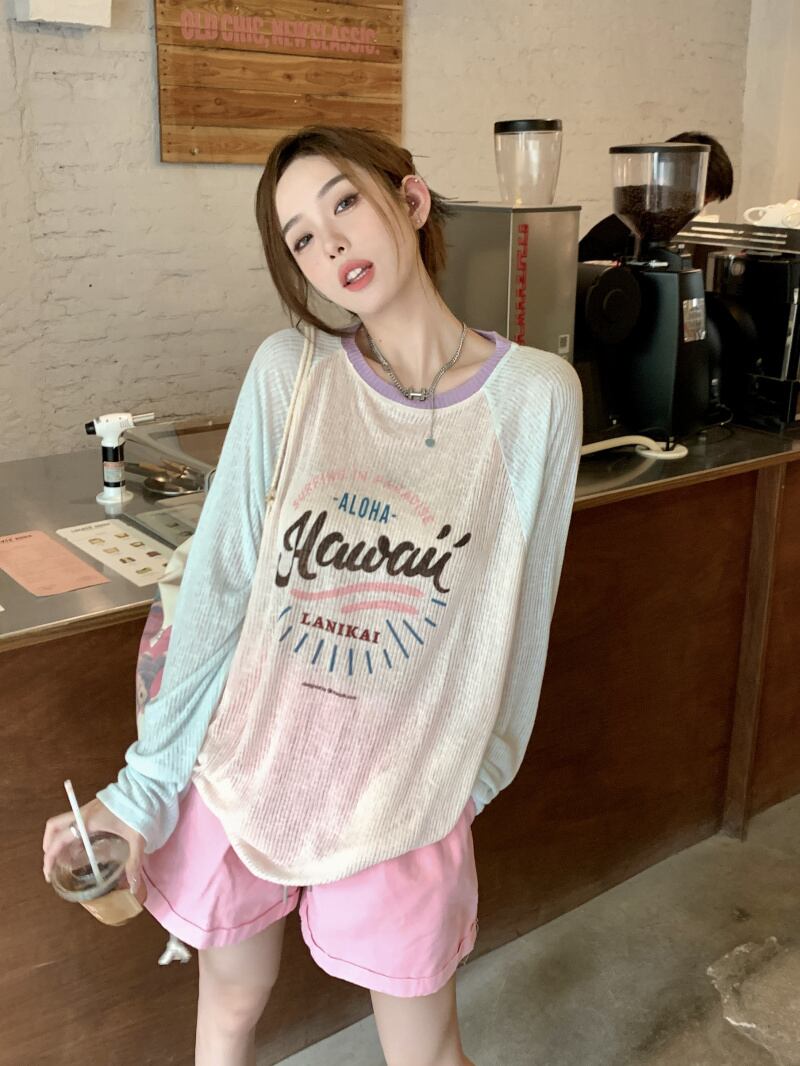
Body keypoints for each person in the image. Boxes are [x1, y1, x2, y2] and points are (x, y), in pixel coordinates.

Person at [42, 125, 583, 1066]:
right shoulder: (289, 374)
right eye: (300, 237)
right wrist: (143, 791)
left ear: (409, 201)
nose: (329, 244)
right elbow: (220, 589)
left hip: (405, 790)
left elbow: (518, 619)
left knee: (426, 1051)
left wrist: (466, 782)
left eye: (344, 204)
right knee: (229, 1014)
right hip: (248, 764)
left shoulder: (536, 398)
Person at [578, 130, 734, 262]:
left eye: (705, 204)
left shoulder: (692, 242)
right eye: (695, 199)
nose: (698, 211)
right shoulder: (613, 236)